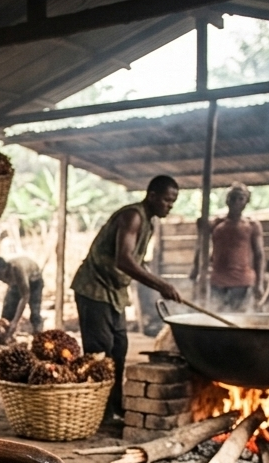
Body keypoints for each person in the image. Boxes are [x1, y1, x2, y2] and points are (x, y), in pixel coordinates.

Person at [70, 175, 182, 420]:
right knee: (99, 353)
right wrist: (159, 284)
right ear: (152, 196)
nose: (169, 206)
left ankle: (114, 406)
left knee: (119, 349)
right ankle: (96, 412)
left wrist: (159, 283)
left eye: (173, 202)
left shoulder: (149, 224)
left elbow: (136, 262)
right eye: (166, 200)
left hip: (115, 293)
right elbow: (124, 260)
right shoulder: (132, 216)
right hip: (94, 288)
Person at [190, 182, 265, 312]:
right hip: (218, 281)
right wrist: (196, 268)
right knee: (217, 317)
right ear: (227, 200)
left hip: (243, 282)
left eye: (240, 198)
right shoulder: (216, 224)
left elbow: (259, 255)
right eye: (233, 197)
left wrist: (259, 284)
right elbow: (201, 245)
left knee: (239, 318)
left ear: (246, 202)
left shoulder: (252, 225)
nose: (236, 201)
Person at [0, 255, 44, 338]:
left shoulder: (17, 269)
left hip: (34, 281)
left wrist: (15, 321)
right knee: (7, 312)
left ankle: (38, 335)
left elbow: (25, 296)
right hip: (15, 284)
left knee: (35, 313)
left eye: (1, 275)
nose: (0, 278)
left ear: (5, 269)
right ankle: (5, 337)